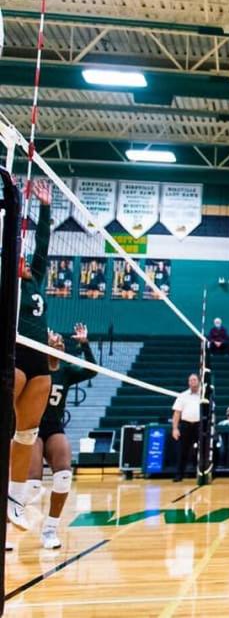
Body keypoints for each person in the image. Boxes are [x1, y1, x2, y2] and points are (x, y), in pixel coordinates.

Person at [25, 324, 96, 549]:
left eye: (62, 341)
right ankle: (6, 527)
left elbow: (92, 370)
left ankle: (49, 529)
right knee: (32, 484)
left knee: (64, 475)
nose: (60, 342)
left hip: (54, 427)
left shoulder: (66, 370)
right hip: (31, 427)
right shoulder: (33, 369)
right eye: (55, 339)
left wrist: (84, 345)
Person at [9, 184, 53, 531]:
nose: (25, 262)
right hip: (14, 352)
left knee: (26, 434)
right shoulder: (8, 282)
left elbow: (43, 244)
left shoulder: (36, 277)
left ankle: (14, 501)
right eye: (18, 258)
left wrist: (45, 209)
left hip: (40, 359)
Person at [171, 374, 202, 483]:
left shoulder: (204, 396)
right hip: (185, 425)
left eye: (194, 380)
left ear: (199, 381)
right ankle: (179, 474)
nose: (192, 382)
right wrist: (175, 428)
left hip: (199, 425)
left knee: (202, 450)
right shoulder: (183, 395)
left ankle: (200, 473)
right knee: (182, 451)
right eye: (190, 380)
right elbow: (177, 413)